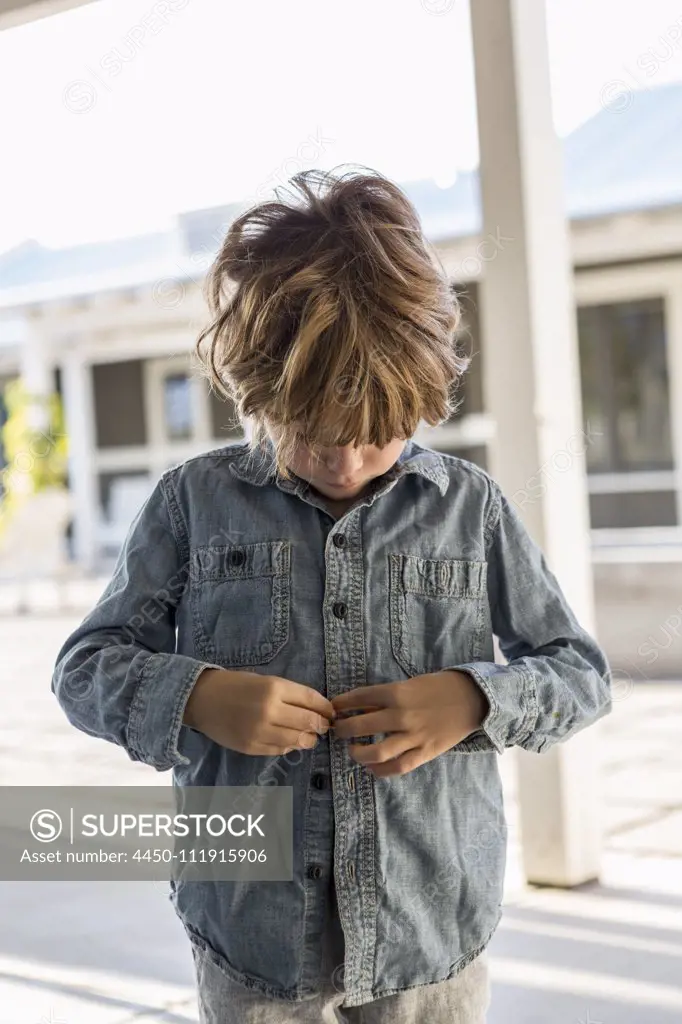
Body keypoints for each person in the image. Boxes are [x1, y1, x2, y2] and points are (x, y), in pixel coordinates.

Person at [51, 167, 613, 1023]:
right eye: (312, 434)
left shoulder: (471, 508)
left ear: (423, 395)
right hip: (249, 932)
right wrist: (195, 695)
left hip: (430, 932)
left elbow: (579, 673)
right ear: (257, 390)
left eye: (376, 434)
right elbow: (84, 667)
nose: (346, 462)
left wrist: (473, 697)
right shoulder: (190, 504)